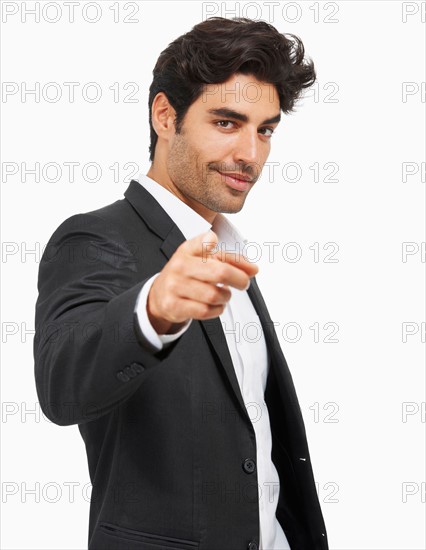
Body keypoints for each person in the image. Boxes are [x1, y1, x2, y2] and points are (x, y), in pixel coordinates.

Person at [33, 16, 329, 550]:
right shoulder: (95, 238)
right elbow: (61, 384)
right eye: (226, 122)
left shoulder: (227, 249)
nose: (251, 154)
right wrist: (152, 310)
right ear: (165, 116)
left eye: (265, 129)